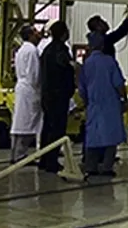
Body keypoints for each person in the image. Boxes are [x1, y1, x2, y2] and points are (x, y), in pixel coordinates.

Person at [79, 34, 128, 178]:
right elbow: (119, 83)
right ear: (102, 45)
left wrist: (87, 101)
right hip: (110, 104)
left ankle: (91, 166)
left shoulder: (86, 64)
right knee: (111, 137)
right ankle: (107, 167)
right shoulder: (109, 62)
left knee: (93, 136)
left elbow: (82, 88)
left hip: (94, 104)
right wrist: (124, 100)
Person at [39, 20, 75, 173]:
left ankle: (43, 159)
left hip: (47, 94)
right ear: (63, 34)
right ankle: (51, 161)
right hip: (59, 95)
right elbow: (66, 67)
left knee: (47, 127)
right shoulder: (60, 51)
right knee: (57, 129)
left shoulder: (47, 50)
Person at [10, 24, 43, 164]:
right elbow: (34, 74)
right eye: (35, 32)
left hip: (22, 88)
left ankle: (15, 153)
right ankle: (20, 155)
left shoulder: (21, 49)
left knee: (20, 122)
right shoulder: (32, 50)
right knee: (28, 123)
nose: (38, 34)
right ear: (30, 35)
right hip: (30, 90)